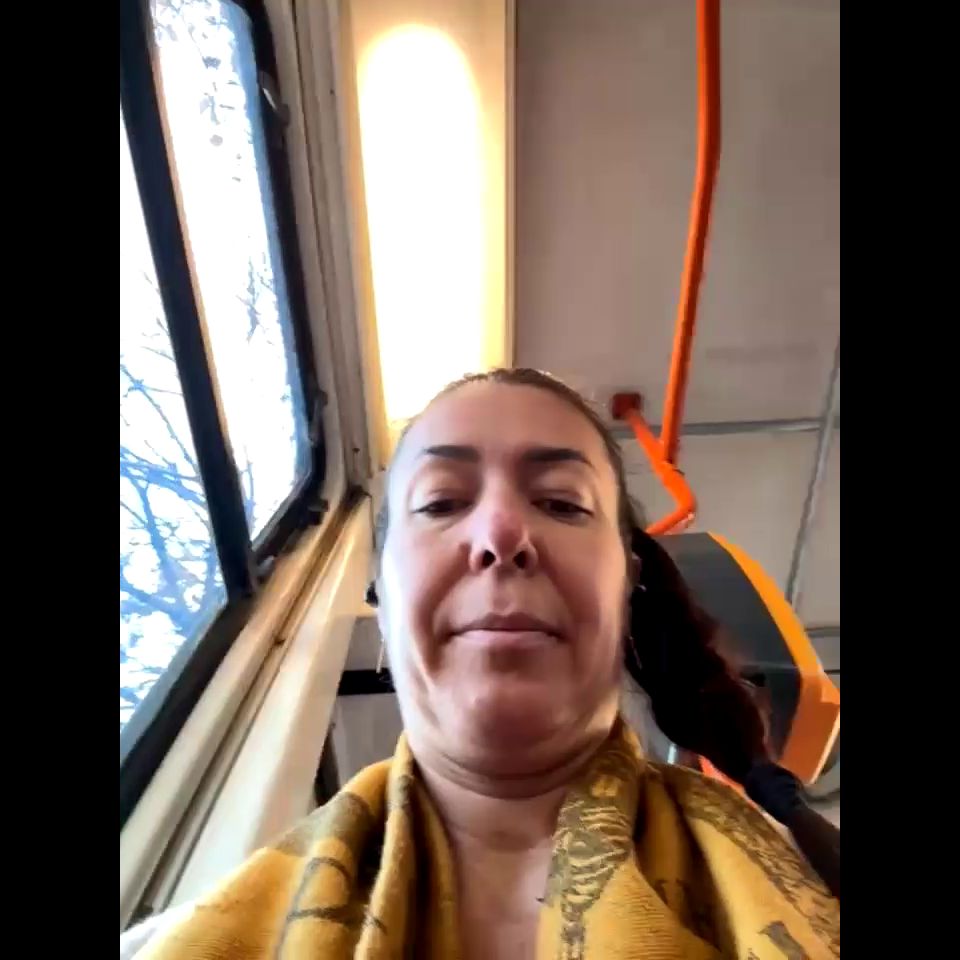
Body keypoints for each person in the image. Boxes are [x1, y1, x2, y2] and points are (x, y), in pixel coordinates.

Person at [121, 368, 840, 959]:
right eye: (441, 504)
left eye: (562, 503)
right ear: (383, 600)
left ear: (628, 589)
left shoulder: (817, 883)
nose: (501, 532)